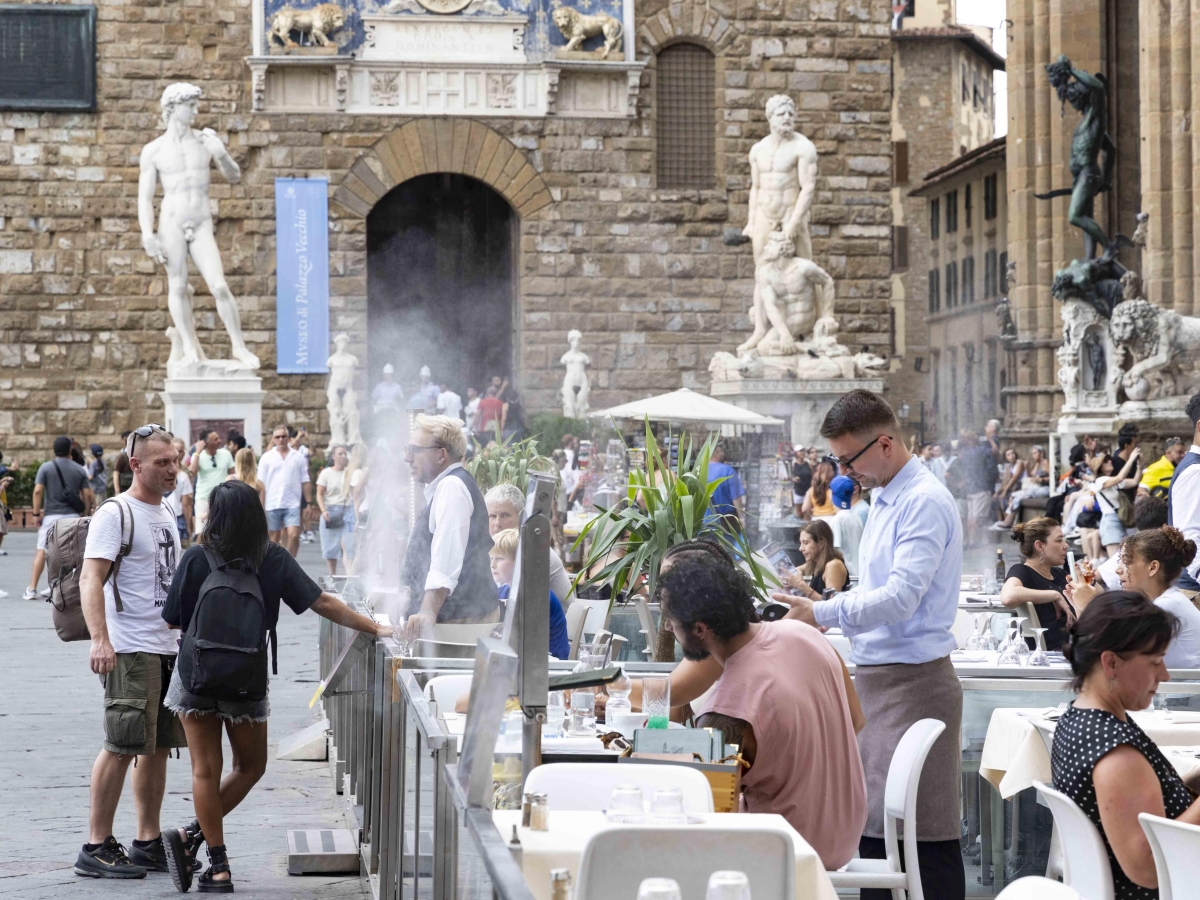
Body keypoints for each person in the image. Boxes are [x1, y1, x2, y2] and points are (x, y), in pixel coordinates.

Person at [159, 479, 389, 892]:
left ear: (215, 516)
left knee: (203, 771)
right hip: (246, 681)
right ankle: (190, 834)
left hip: (196, 675)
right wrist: (373, 626)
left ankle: (217, 863)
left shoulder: (196, 557)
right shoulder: (273, 558)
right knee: (250, 767)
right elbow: (321, 602)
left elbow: (173, 618)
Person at [781, 389, 964, 900]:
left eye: (847, 459)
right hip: (886, 682)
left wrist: (822, 611)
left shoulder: (922, 500)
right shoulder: (884, 497)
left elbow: (902, 598)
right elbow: (879, 590)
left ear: (884, 443)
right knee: (879, 834)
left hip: (916, 684)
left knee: (923, 838)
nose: (842, 473)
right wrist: (822, 606)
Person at [656, 551, 867, 870]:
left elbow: (707, 810)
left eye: (670, 620)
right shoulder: (805, 634)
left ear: (699, 629)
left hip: (784, 849)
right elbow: (856, 721)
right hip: (847, 836)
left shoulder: (726, 711)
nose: (669, 629)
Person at [75, 425, 183, 879]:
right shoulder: (115, 513)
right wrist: (101, 639)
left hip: (166, 648)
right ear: (136, 465)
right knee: (120, 745)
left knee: (155, 748)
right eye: (162, 463)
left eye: (175, 460)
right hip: (130, 648)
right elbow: (90, 579)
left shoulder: (168, 510)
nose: (173, 469)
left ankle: (147, 839)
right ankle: (95, 845)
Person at [1052, 591, 1200, 899]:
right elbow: (1147, 868)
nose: (1166, 675)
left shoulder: (1078, 720)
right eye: (1155, 662)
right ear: (1111, 663)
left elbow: (1138, 805)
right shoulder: (1115, 753)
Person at [401, 415, 499, 638]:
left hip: (461, 619)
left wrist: (427, 610)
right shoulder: (449, 485)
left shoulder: (452, 487)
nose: (407, 457)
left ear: (441, 454)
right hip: (457, 617)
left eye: (415, 450)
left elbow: (447, 555)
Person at [1068, 527, 1200, 670]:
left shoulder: (1168, 605)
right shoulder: (1157, 603)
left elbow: (1114, 651)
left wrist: (1090, 604)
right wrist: (1079, 606)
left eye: (1126, 562)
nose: (1118, 570)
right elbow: (1088, 650)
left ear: (1152, 567)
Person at [25, 436, 94, 601]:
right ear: (70, 450)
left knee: (43, 551)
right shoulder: (79, 469)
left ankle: (32, 588)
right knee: (71, 554)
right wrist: (84, 513)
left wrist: (36, 514)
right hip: (72, 517)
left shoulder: (45, 468)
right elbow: (87, 494)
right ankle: (61, 587)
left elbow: (37, 491)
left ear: (54, 450)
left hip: (51, 516)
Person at [484, 482, 572, 607]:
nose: (497, 523)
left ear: (521, 517)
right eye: (492, 516)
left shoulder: (532, 551)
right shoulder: (500, 550)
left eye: (505, 515)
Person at [489, 528, 569, 659]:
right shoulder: (504, 591)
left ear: (521, 561)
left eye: (499, 558)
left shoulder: (537, 596)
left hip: (551, 665)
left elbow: (520, 642)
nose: (492, 565)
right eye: (491, 558)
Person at [998, 518, 1073, 651]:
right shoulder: (1023, 571)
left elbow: (1100, 598)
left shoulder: (1059, 574)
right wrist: (1055, 595)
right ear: (1039, 546)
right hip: (1050, 657)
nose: (1066, 545)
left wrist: (1087, 580)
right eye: (1059, 540)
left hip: (1073, 651)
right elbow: (1008, 597)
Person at [257, 423, 312, 557]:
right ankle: (273, 564)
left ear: (288, 438)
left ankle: (290, 561)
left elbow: (305, 480)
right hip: (272, 502)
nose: (281, 439)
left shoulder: (298, 457)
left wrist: (309, 503)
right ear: (273, 439)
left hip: (292, 502)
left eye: (283, 436)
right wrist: (260, 506)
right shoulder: (267, 457)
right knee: (273, 538)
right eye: (278, 437)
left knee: (293, 535)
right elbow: (260, 483)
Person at [1084, 449, 1142, 560]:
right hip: (1110, 521)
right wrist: (1131, 459)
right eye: (1106, 462)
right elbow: (1120, 478)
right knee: (1115, 559)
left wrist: (1139, 466)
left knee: (1125, 558)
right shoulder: (1100, 481)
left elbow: (1134, 481)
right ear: (1100, 467)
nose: (1110, 462)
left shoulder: (1113, 482)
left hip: (1121, 519)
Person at [780, 519, 847, 599]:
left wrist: (801, 585)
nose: (801, 548)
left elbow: (831, 604)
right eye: (800, 543)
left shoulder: (833, 565)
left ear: (821, 543)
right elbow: (798, 569)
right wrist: (795, 576)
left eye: (806, 543)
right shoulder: (816, 562)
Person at [316, 445, 356, 577]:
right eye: (340, 454)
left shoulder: (350, 472)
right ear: (333, 456)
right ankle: (332, 575)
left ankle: (349, 574)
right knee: (331, 547)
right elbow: (320, 493)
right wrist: (323, 510)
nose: (343, 456)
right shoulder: (326, 473)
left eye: (345, 454)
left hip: (347, 510)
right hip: (331, 509)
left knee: (348, 545)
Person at [992, 444, 1050, 530]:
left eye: (1035, 453)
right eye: (1032, 454)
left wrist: (1041, 479)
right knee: (1014, 495)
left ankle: (1008, 522)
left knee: (1018, 497)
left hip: (1044, 488)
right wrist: (1027, 467)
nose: (1033, 456)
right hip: (1035, 488)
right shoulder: (1037, 464)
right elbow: (1030, 476)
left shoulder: (1045, 462)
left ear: (1041, 453)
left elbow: (1053, 477)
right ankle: (1008, 521)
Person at [187, 431, 234, 535]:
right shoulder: (198, 456)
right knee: (202, 533)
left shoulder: (226, 454)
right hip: (203, 499)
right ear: (206, 443)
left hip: (222, 499)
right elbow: (191, 473)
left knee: (223, 532)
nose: (219, 441)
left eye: (218, 438)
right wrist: (197, 451)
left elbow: (233, 474)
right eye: (215, 439)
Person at [960, 432, 997, 546]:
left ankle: (969, 540)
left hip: (970, 490)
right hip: (981, 488)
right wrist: (991, 440)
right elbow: (994, 451)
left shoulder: (964, 453)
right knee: (976, 518)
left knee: (971, 517)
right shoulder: (980, 451)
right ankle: (973, 541)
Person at [829, 474, 863, 576]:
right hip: (859, 576)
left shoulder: (837, 520)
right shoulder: (855, 515)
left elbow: (835, 552)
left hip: (847, 579)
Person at [707, 443, 746, 529]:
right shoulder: (727, 470)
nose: (723, 453)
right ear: (715, 454)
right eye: (721, 451)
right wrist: (742, 518)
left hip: (705, 522)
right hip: (725, 522)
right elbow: (736, 497)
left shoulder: (699, 471)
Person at [166, 439, 195, 546]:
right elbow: (186, 504)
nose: (178, 454)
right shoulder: (182, 475)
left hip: (176, 516)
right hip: (171, 518)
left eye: (181, 451)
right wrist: (189, 527)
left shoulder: (183, 475)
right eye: (175, 450)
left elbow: (186, 504)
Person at [993, 448, 1025, 515]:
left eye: (1012, 453)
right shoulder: (1009, 466)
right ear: (1006, 457)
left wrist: (1005, 491)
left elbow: (1015, 477)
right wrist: (997, 492)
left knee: (1003, 498)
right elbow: (1005, 481)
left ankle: (1006, 519)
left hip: (1020, 486)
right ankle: (1001, 520)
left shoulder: (1019, 463)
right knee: (997, 498)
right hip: (1013, 486)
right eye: (1008, 455)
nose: (1011, 456)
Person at [791, 446, 811, 518]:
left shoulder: (808, 464)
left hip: (808, 491)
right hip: (798, 491)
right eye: (800, 451)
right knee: (799, 513)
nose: (802, 453)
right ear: (796, 453)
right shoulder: (793, 464)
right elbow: (789, 476)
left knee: (807, 512)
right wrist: (793, 479)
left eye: (803, 451)